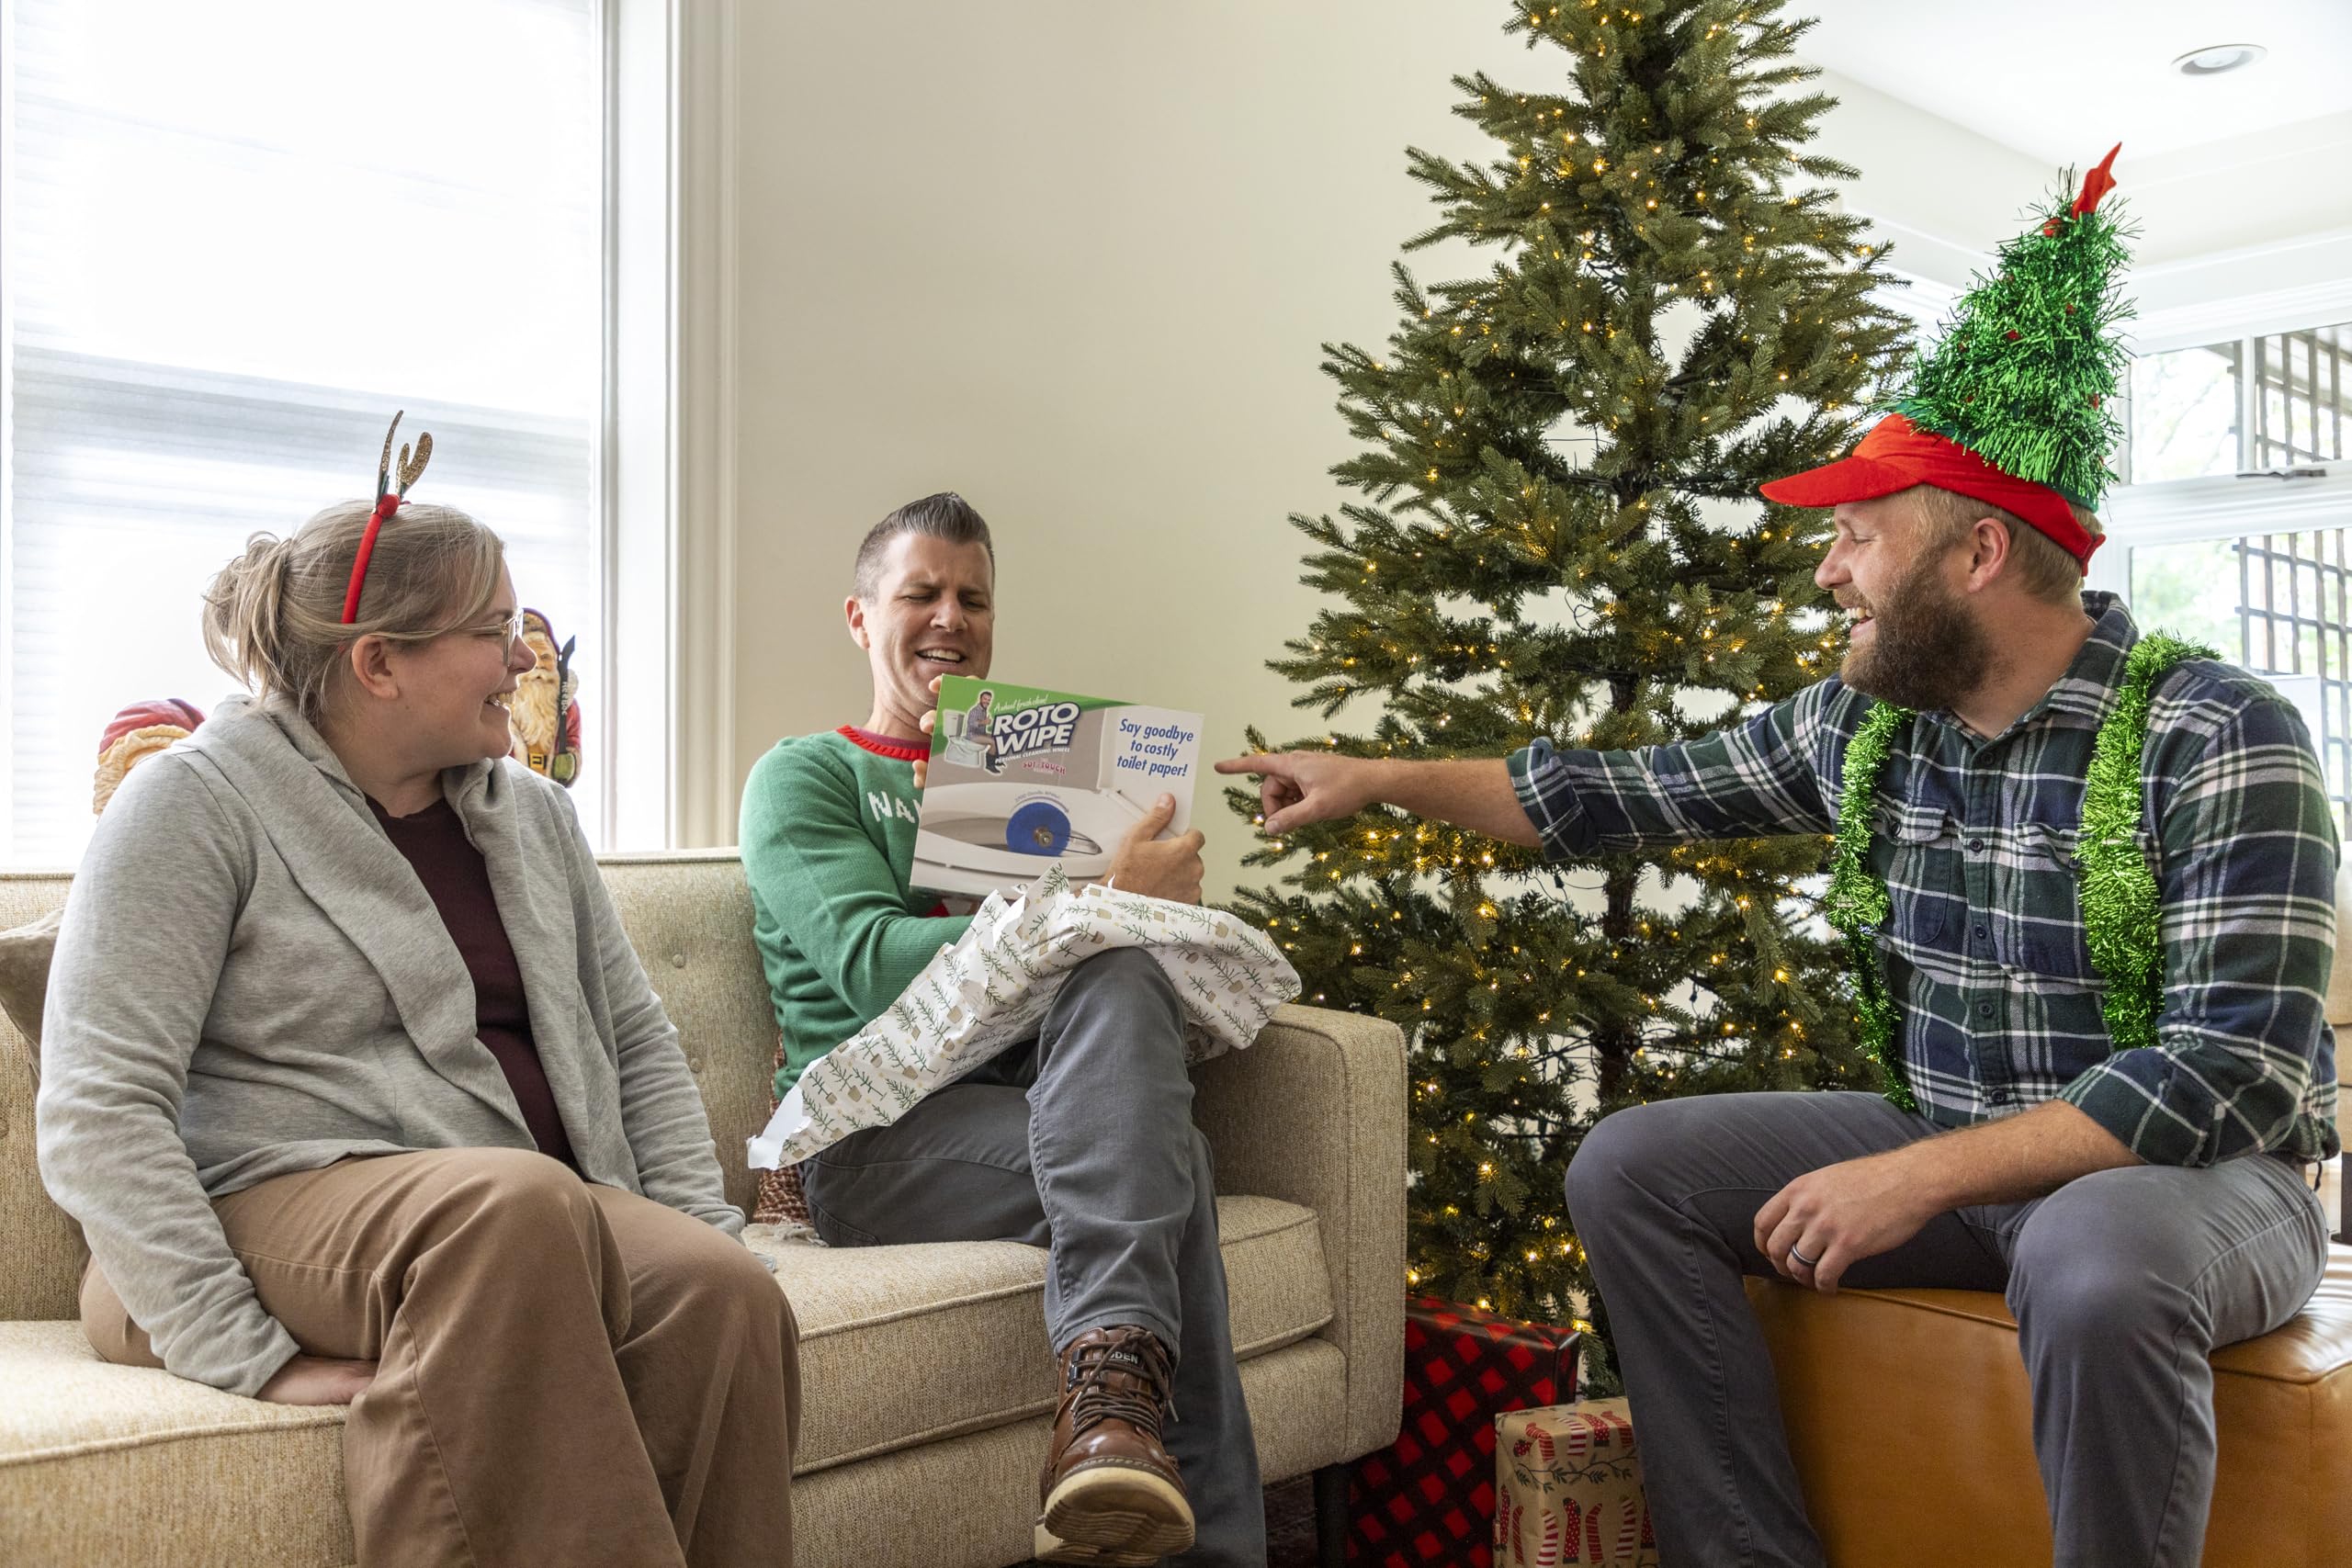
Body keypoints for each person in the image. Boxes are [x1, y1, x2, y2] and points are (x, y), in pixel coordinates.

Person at [1218, 152, 2336, 1568]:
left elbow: (2230, 1069)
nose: (1826, 572)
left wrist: (1922, 1175)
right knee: (1634, 1165)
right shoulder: (1868, 724)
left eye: (1858, 537)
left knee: (2089, 1252)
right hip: (1963, 1145)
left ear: (1980, 552)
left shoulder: (2219, 730)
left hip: (2204, 1186)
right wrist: (1375, 775)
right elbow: (1607, 796)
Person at [36, 417, 798, 1568]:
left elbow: (636, 1044)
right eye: (492, 632)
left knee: (722, 1292)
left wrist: (692, 1224)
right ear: (377, 662)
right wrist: (248, 1352)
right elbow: (99, 1107)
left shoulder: (531, 816)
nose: (524, 660)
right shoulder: (194, 807)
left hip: (519, 1221)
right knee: (514, 1208)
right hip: (260, 1217)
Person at [738, 491, 1263, 1566]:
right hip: (872, 1140)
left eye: (972, 598)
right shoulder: (808, 777)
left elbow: (1094, 970)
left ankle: (1109, 1429)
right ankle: (1186, 1514)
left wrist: (1140, 905)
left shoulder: (1038, 779)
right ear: (858, 617)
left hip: (1033, 1103)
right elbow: (868, 961)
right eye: (919, 592)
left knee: (1119, 966)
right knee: (1174, 1168)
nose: (949, 618)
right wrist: (1091, 891)